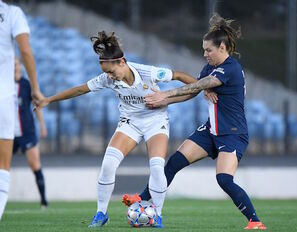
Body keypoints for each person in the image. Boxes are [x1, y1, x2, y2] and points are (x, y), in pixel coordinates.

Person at [34, 31, 197, 228]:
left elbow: (179, 75)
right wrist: (49, 100)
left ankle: (157, 215)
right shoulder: (108, 78)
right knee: (108, 164)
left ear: (122, 62)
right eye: (106, 72)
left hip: (155, 121)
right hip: (130, 122)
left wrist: (200, 88)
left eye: (111, 71)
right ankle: (101, 214)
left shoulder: (148, 73)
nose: (109, 76)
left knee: (156, 167)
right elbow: (80, 89)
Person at [122, 13, 267, 230]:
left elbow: (198, 85)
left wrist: (166, 95)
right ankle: (141, 199)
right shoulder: (211, 68)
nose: (205, 54)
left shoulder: (230, 68)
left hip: (233, 133)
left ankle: (255, 221)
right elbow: (193, 91)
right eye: (203, 50)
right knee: (174, 162)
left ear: (223, 48)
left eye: (209, 50)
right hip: (211, 131)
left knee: (224, 180)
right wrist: (167, 101)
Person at [0, 0, 44, 220]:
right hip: (3, 99)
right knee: (2, 166)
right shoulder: (11, 13)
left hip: (23, 126)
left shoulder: (22, 85)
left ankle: (43, 200)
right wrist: (37, 87)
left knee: (34, 163)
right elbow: (25, 50)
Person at [13, 58, 48, 208]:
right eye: (12, 64)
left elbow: (36, 105)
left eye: (16, 64)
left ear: (20, 66)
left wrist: (42, 125)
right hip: (7, 132)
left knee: (35, 165)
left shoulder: (26, 84)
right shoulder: (4, 84)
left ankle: (44, 201)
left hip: (27, 131)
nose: (14, 66)